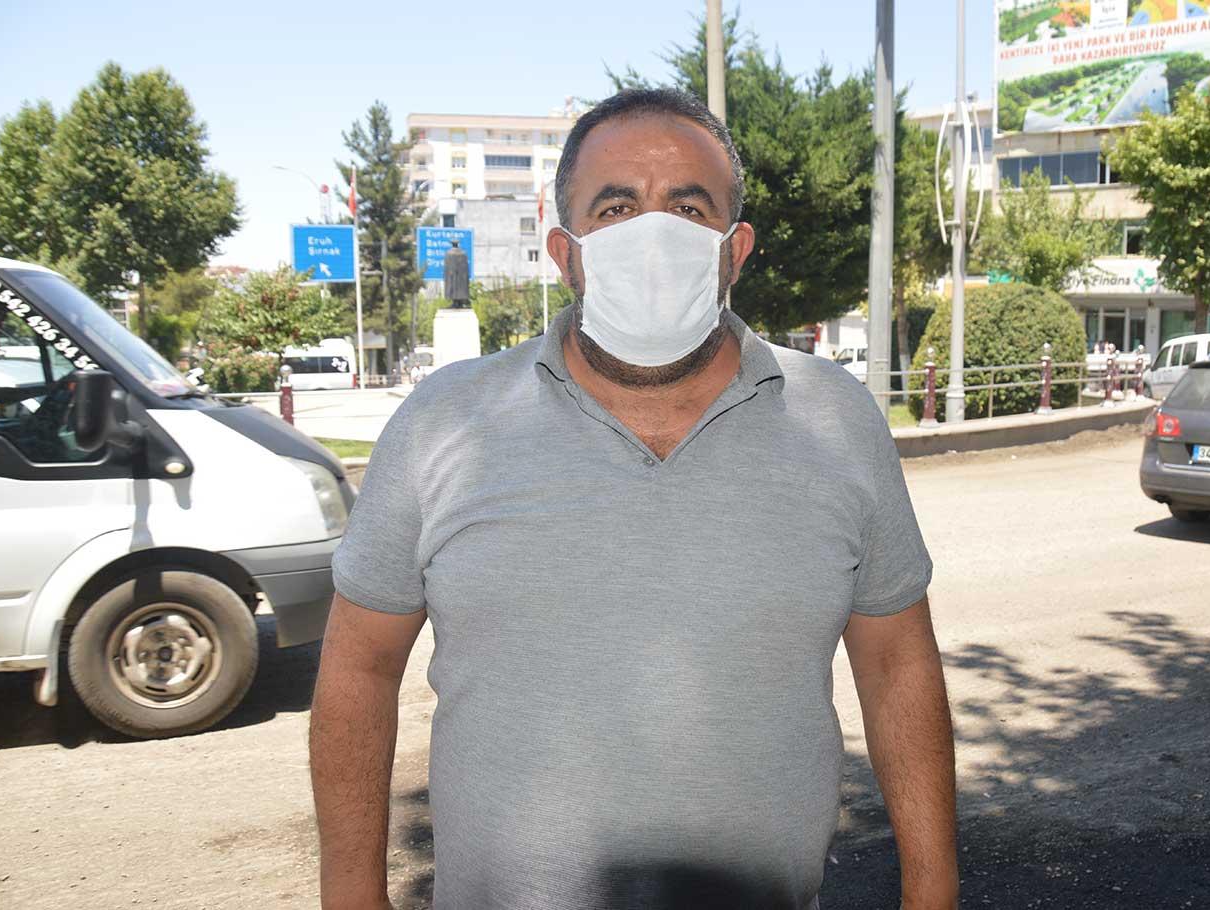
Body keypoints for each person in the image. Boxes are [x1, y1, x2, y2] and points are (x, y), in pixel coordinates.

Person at [310, 88, 956, 910]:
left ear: (734, 249)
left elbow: (898, 665)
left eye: (688, 208)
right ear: (565, 252)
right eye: (615, 208)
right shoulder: (445, 423)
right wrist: (352, 897)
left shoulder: (836, 420)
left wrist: (933, 890)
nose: (653, 236)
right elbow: (359, 669)